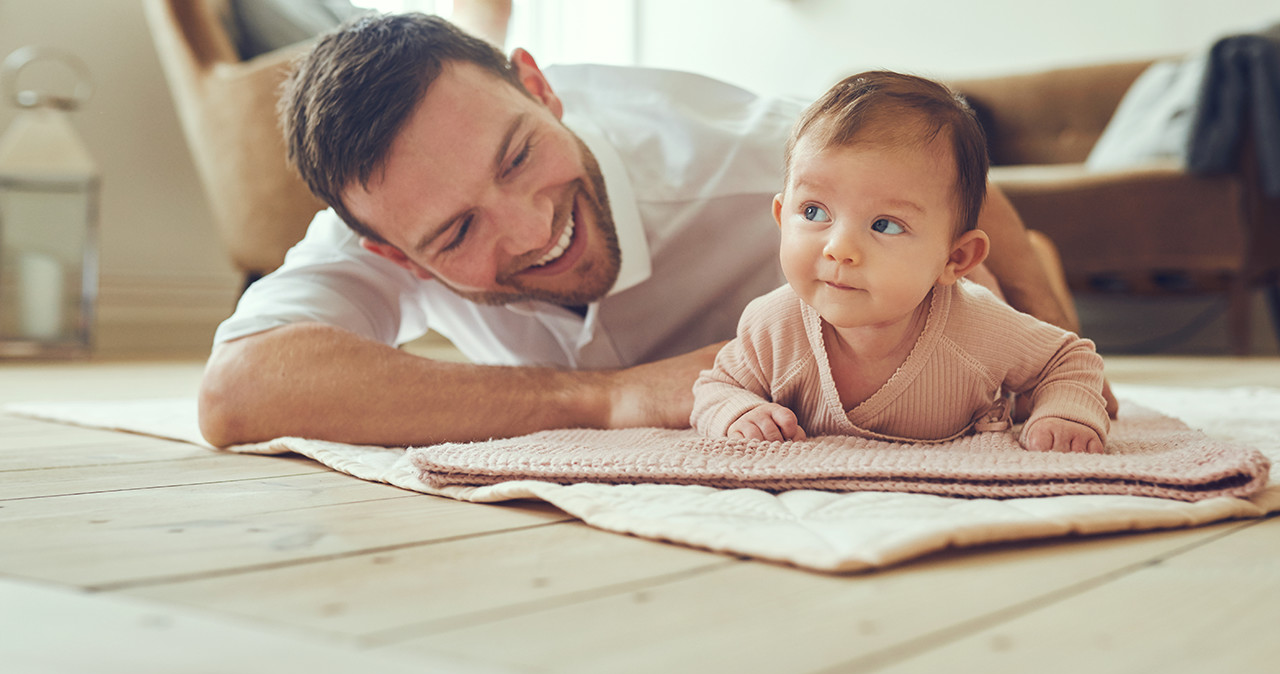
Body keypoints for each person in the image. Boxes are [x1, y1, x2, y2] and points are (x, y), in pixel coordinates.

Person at [197, 13, 1097, 448]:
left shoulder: (743, 155)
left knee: (965, 309)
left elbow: (959, 192)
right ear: (394, 254)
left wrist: (1052, 319)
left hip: (881, 301)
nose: (534, 226)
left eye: (518, 156)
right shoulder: (381, 220)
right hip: (754, 374)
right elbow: (237, 391)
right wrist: (599, 398)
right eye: (460, 230)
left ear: (540, 88)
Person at [691, 71, 1109, 453]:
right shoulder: (772, 325)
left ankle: (1034, 256)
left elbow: (1068, 359)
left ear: (956, 257)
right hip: (944, 280)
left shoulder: (981, 327)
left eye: (885, 225)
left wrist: (1065, 412)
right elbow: (716, 387)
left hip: (973, 303)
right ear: (783, 218)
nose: (839, 248)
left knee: (1013, 330)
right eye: (815, 212)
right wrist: (737, 411)